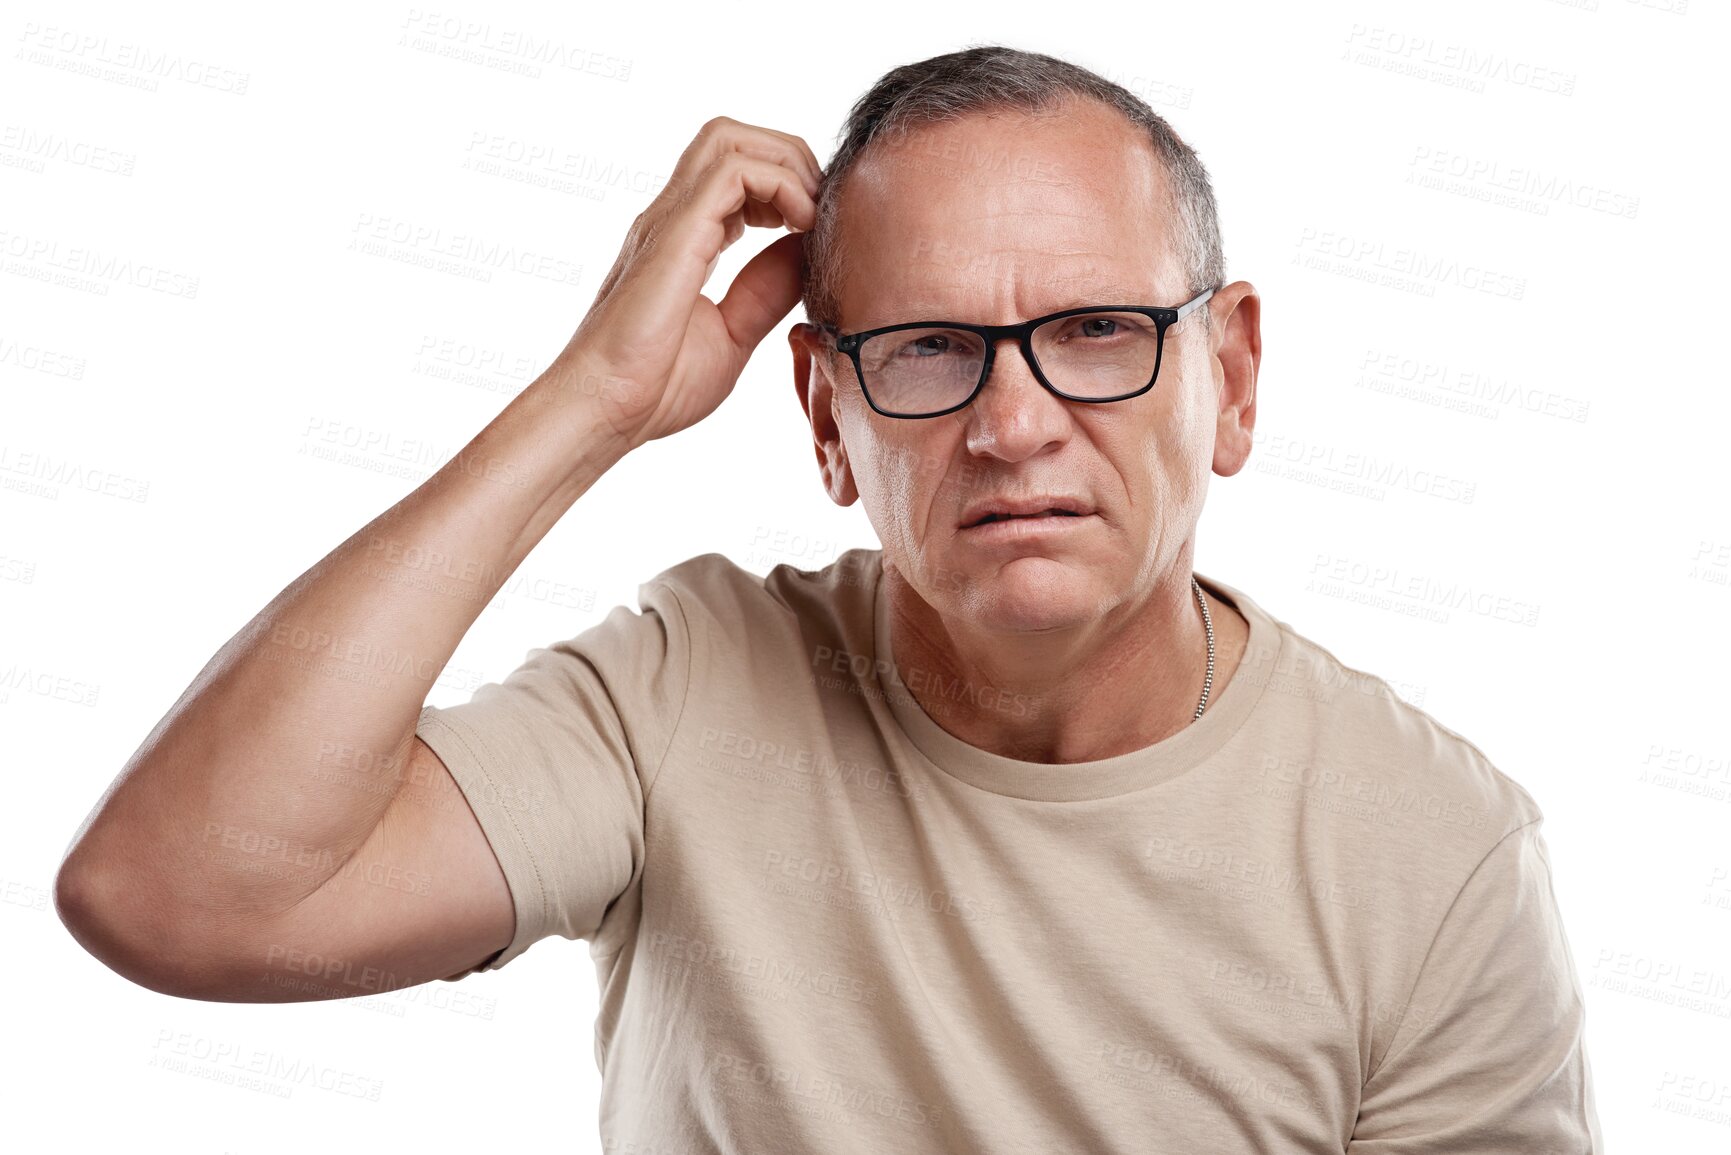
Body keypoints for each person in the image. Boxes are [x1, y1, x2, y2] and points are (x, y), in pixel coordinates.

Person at [56, 45, 1601, 1154]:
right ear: (823, 419)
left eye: (1097, 327)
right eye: (927, 349)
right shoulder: (686, 688)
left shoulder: (1437, 859)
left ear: (1234, 376)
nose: (1012, 424)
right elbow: (178, 896)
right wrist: (592, 398)